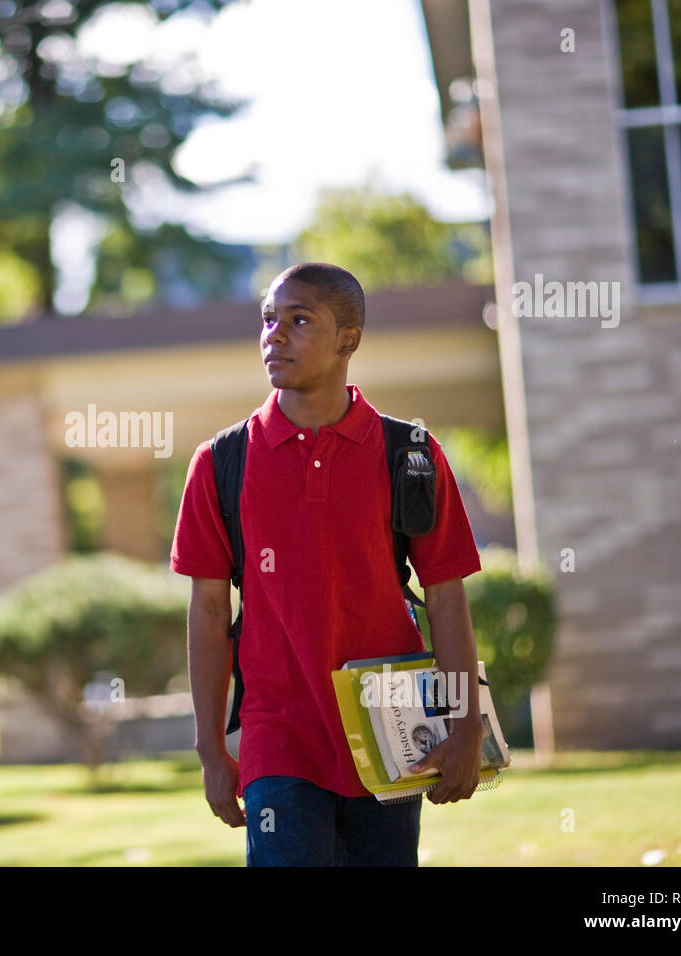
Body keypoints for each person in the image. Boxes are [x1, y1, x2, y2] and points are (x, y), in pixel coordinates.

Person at [169, 262, 486, 866]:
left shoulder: (410, 455)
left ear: (349, 338)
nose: (274, 335)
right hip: (277, 738)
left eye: (299, 319)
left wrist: (465, 724)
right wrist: (212, 750)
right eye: (268, 319)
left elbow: (446, 595)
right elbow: (209, 612)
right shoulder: (220, 463)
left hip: (393, 730)